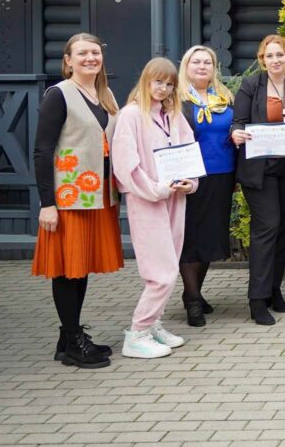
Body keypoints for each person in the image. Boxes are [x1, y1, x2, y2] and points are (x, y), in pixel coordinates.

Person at [32, 33, 123, 368]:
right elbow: (42, 150)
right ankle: (73, 344)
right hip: (69, 196)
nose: (90, 58)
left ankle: (68, 336)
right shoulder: (58, 95)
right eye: (82, 53)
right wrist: (47, 203)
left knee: (80, 268)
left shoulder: (105, 94)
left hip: (98, 196)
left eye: (95, 53)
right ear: (68, 60)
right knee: (68, 270)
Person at [112, 58, 199, 359]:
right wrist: (156, 189)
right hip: (147, 201)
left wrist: (190, 182)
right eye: (158, 81)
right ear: (146, 80)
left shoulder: (173, 115)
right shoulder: (131, 115)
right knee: (159, 273)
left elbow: (189, 152)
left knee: (171, 266)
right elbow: (126, 166)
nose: (164, 88)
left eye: (170, 83)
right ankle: (137, 333)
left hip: (176, 198)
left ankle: (153, 325)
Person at [232, 35, 285, 325]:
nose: (275, 60)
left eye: (280, 55)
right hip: (260, 168)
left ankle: (274, 289)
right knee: (267, 227)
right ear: (262, 59)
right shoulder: (252, 85)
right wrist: (235, 133)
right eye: (269, 55)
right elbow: (238, 121)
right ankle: (256, 299)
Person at [177, 45, 235, 327]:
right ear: (186, 67)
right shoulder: (177, 101)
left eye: (207, 62)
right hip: (192, 179)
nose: (202, 67)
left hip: (223, 174)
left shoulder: (224, 98)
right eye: (196, 62)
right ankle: (191, 300)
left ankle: (195, 292)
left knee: (211, 238)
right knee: (191, 239)